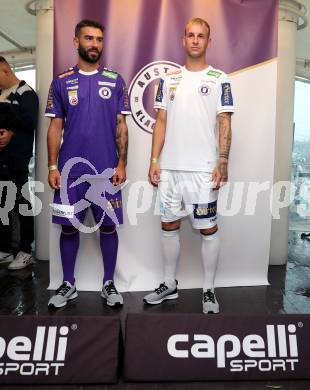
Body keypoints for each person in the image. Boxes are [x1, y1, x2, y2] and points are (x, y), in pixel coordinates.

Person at [143, 18, 234, 314]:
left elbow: (225, 121)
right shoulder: (167, 79)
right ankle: (169, 283)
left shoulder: (220, 78)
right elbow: (161, 122)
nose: (195, 40)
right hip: (170, 168)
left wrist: (223, 160)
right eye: (191, 35)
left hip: (204, 170)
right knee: (168, 225)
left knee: (207, 229)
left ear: (209, 42)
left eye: (201, 36)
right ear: (183, 40)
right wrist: (155, 160)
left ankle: (208, 290)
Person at [45, 19, 130, 309]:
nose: (95, 44)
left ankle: (109, 283)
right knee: (68, 228)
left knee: (108, 227)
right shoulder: (61, 80)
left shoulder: (116, 80)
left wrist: (122, 164)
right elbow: (55, 126)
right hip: (69, 173)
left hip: (106, 170)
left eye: (99, 39)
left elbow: (122, 125)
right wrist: (52, 166)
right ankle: (68, 283)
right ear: (76, 42)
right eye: (89, 38)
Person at [0, 56, 38, 269]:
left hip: (18, 159)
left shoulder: (26, 93)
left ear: (5, 70)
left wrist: (10, 131)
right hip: (1, 160)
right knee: (2, 205)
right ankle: (5, 249)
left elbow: (30, 122)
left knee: (21, 203)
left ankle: (25, 250)